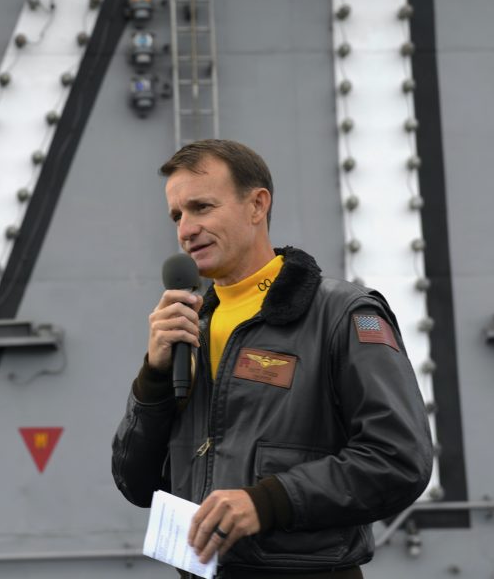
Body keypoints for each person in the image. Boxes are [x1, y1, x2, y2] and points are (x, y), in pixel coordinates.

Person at [111, 139, 433, 578]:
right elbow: (136, 482)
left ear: (257, 205)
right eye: (177, 215)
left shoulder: (341, 314)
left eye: (201, 207)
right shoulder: (188, 328)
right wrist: (154, 376)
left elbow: (399, 460)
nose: (185, 229)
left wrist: (267, 502)